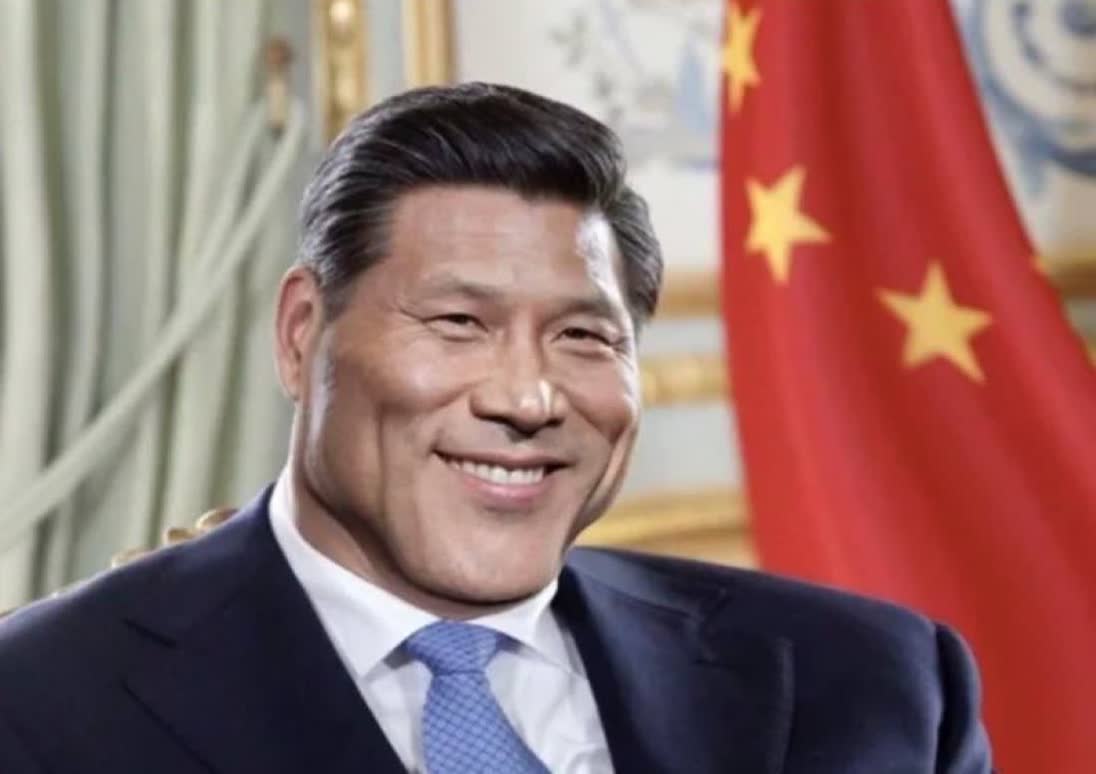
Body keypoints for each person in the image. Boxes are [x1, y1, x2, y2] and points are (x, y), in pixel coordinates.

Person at [0, 82, 991, 773]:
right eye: (459, 324)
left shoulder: (874, 684)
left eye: (583, 336)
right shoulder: (43, 704)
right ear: (303, 334)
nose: (527, 399)